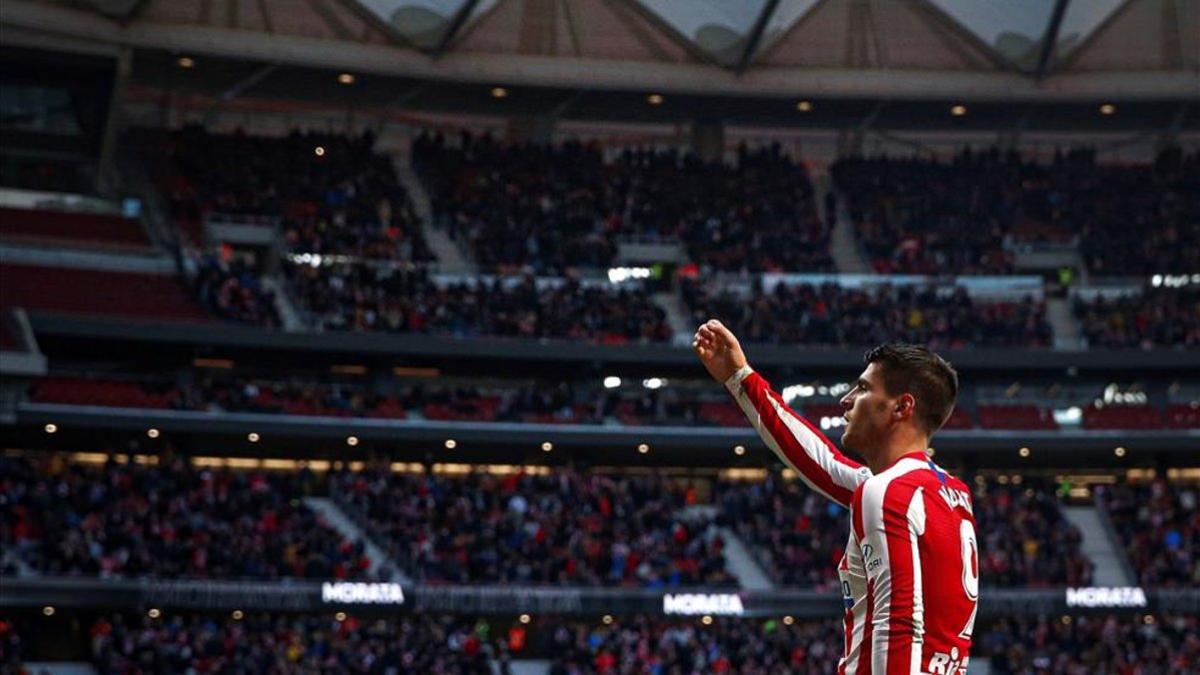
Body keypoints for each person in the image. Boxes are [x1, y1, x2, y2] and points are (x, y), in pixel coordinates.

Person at [693, 319, 977, 674]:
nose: (846, 400)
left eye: (862, 389)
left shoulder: (888, 491)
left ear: (901, 407)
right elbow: (822, 463)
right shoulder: (949, 491)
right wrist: (740, 377)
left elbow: (898, 622)